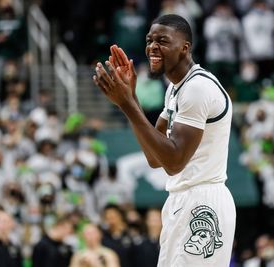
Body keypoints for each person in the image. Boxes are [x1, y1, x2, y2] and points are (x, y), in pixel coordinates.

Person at [93, 14, 236, 267]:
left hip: (203, 202)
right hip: (181, 198)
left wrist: (126, 104)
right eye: (149, 40)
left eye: (162, 40)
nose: (152, 47)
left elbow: (174, 161)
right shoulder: (175, 88)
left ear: (184, 48)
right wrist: (132, 98)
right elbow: (154, 157)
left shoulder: (197, 88)